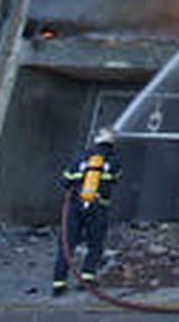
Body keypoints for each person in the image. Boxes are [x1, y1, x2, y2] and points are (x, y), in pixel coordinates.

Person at [53, 127, 121, 297]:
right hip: (99, 207)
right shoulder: (113, 161)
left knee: (67, 245)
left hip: (75, 207)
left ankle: (58, 284)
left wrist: (78, 182)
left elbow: (64, 181)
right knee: (95, 244)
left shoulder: (80, 158)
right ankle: (87, 280)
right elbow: (116, 179)